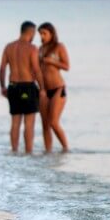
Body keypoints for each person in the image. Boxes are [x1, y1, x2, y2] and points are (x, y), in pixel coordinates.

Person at [0, 20, 44, 153]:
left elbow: (2, 69)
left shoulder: (9, 47)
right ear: (31, 32)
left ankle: (14, 152)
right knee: (29, 124)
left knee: (15, 122)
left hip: (12, 87)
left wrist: (2, 87)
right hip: (28, 87)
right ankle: (28, 154)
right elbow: (36, 70)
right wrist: (42, 89)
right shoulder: (32, 48)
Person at [38, 22, 70, 153]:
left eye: (44, 33)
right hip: (45, 90)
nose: (42, 36)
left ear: (52, 33)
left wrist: (52, 61)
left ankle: (66, 149)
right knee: (45, 124)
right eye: (40, 34)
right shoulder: (40, 49)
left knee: (53, 122)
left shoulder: (59, 47)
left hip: (58, 88)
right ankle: (48, 152)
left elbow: (67, 66)